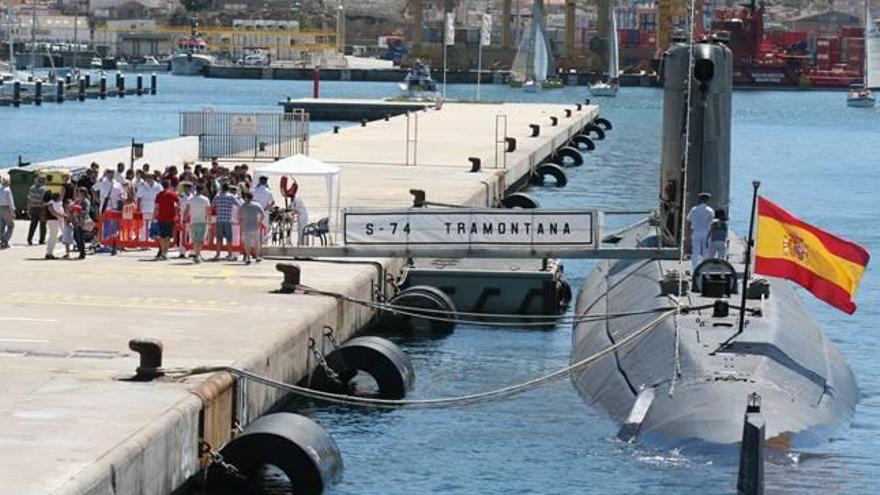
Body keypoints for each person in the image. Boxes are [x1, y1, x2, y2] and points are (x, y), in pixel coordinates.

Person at [212, 183, 241, 261]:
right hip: (228, 220)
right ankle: (229, 254)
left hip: (219, 219)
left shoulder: (217, 196)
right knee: (229, 238)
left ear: (221, 188)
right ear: (228, 189)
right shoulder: (231, 197)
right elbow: (239, 205)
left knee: (219, 238)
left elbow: (213, 205)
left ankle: (218, 254)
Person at [686, 192, 715, 270]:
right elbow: (712, 224)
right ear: (707, 200)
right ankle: (705, 268)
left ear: (700, 199)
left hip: (696, 232)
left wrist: (689, 234)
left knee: (695, 252)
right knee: (705, 251)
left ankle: (694, 269)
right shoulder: (710, 211)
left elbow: (688, 221)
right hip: (706, 233)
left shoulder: (694, 209)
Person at [185, 185, 211, 263]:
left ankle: (197, 254)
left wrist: (185, 219)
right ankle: (198, 254)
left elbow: (187, 210)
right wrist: (209, 221)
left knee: (195, 239)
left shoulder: (190, 199)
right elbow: (208, 211)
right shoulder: (205, 199)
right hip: (202, 221)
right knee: (200, 240)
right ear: (202, 190)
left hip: (193, 221)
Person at [153, 180, 178, 261]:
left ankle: (163, 252)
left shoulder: (159, 195)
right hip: (170, 217)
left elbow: (156, 207)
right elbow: (178, 204)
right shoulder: (173, 194)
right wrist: (176, 213)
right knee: (168, 236)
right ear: (169, 185)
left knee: (162, 236)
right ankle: (165, 253)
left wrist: (154, 217)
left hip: (161, 217)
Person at [238, 192, 265, 265]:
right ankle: (257, 256)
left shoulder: (242, 206)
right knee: (256, 243)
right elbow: (263, 215)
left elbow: (239, 217)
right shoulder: (256, 205)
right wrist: (259, 222)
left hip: (246, 227)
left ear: (246, 198)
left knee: (247, 243)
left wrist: (241, 224)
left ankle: (248, 257)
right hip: (255, 226)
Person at [71, 187, 91, 259]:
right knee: (75, 236)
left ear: (83, 193)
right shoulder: (77, 200)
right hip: (76, 221)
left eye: (79, 192)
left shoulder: (86, 201)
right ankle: (81, 251)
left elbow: (86, 211)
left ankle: (82, 253)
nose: (77, 193)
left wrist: (79, 212)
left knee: (80, 237)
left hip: (82, 221)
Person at [27, 176, 47, 245]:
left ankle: (29, 239)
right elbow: (45, 200)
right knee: (43, 225)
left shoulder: (31, 188)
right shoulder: (44, 189)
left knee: (33, 225)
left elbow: (29, 199)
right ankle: (42, 240)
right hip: (41, 209)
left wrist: (28, 209)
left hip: (33, 208)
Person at [45, 192, 65, 259]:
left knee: (53, 237)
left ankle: (49, 253)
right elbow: (52, 211)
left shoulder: (55, 203)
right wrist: (60, 215)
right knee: (52, 237)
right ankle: (49, 253)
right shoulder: (51, 203)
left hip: (55, 220)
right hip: (52, 220)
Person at [177, 182, 194, 259]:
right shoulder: (180, 196)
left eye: (189, 188)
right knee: (182, 235)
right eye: (186, 187)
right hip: (182, 217)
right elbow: (177, 207)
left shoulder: (193, 196)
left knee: (191, 234)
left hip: (192, 217)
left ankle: (191, 251)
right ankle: (182, 252)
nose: (187, 189)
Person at [0, 177, 15, 249]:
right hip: (6, 208)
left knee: (2, 225)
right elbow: (10, 202)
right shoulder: (8, 190)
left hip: (0, 207)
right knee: (11, 225)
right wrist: (12, 212)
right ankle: (5, 240)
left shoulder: (0, 189)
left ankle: (2, 239)